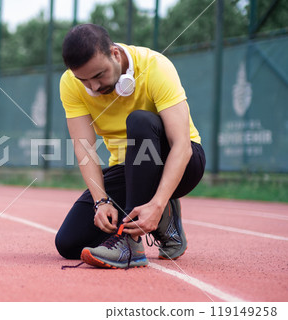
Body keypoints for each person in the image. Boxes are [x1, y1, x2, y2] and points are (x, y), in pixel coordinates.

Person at [55, 24, 206, 269]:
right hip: (130, 170)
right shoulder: (70, 83)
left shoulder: (156, 66)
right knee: (69, 243)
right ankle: (167, 219)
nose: (93, 87)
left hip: (184, 164)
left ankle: (130, 243)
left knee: (140, 120)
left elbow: (182, 145)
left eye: (99, 75)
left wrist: (156, 203)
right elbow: (84, 148)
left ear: (115, 54)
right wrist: (100, 202)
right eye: (84, 80)